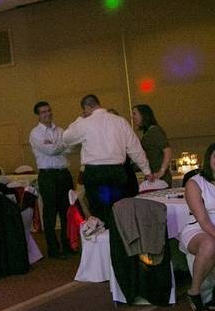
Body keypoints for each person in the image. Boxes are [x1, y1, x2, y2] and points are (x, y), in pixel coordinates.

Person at [62, 95, 151, 223]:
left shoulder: (85, 123)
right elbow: (135, 149)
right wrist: (146, 170)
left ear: (87, 108)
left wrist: (80, 119)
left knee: (99, 213)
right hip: (118, 172)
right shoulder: (120, 121)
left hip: (95, 174)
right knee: (120, 212)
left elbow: (66, 138)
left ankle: (104, 241)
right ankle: (120, 240)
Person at [29, 101, 74, 259]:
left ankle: (67, 244)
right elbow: (52, 150)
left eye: (48, 110)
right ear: (38, 115)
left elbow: (71, 147)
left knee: (66, 212)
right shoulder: (35, 133)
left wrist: (58, 146)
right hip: (47, 176)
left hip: (63, 174)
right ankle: (53, 249)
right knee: (50, 213)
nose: (47, 114)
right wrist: (61, 145)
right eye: (43, 112)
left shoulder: (60, 130)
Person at [181, 142, 215, 311]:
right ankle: (194, 292)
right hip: (198, 228)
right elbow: (203, 220)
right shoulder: (195, 183)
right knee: (210, 244)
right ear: (209, 159)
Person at [132, 104, 173, 187]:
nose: (133, 117)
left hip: (159, 177)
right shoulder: (148, 132)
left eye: (135, 114)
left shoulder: (154, 131)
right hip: (154, 176)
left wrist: (162, 171)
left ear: (143, 115)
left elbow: (167, 151)